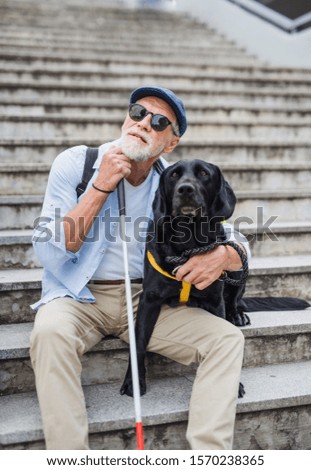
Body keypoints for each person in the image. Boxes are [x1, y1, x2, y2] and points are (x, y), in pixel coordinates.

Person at [30, 86, 249, 450]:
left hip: (145, 298)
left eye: (159, 121)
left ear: (170, 143)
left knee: (227, 339)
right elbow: (51, 249)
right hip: (78, 295)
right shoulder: (77, 164)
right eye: (138, 112)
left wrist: (231, 254)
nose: (144, 122)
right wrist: (100, 186)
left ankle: (210, 454)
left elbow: (228, 232)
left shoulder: (175, 181)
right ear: (126, 118)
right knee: (49, 335)